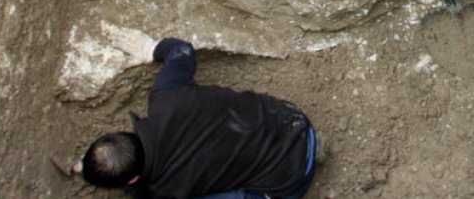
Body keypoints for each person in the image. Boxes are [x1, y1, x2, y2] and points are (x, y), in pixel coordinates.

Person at [80, 37, 321, 198]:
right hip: (292, 120)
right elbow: (180, 50)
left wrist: (133, 189)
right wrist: (148, 48)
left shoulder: (168, 189)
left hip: (290, 180)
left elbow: (144, 191)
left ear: (133, 179)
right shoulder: (167, 97)